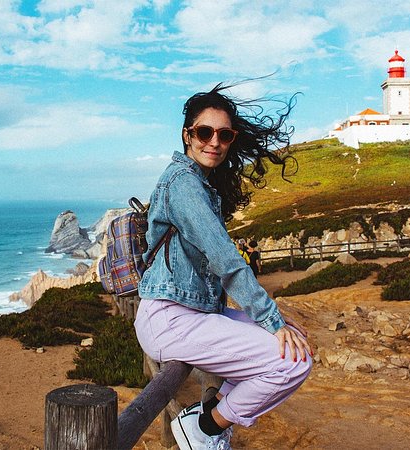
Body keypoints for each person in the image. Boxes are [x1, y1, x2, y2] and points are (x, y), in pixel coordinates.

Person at [135, 83, 312, 450]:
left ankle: (209, 413)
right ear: (187, 134)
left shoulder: (196, 182)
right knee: (293, 362)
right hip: (171, 319)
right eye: (204, 132)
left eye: (224, 134)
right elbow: (227, 261)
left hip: (191, 314)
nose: (214, 141)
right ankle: (205, 428)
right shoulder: (183, 184)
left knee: (294, 344)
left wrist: (275, 322)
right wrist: (270, 318)